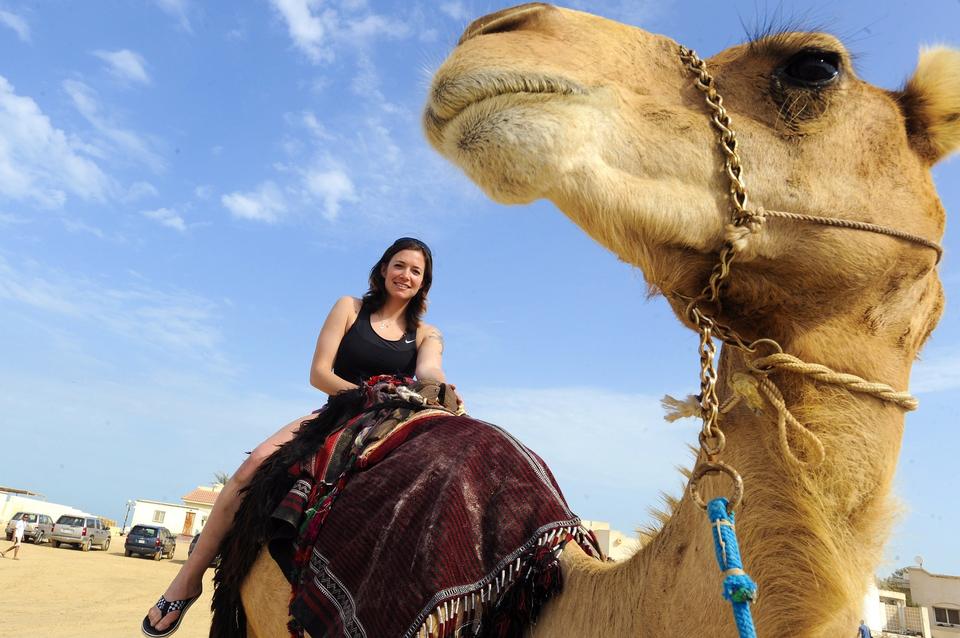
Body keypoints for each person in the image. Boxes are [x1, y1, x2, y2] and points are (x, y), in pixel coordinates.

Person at [142, 237, 448, 637]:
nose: (405, 275)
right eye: (399, 265)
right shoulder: (349, 308)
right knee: (253, 465)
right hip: (337, 413)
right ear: (383, 269)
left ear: (423, 283)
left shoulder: (428, 333)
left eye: (415, 271)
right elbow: (319, 373)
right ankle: (186, 581)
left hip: (387, 420)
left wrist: (440, 390)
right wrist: (363, 394)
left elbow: (430, 372)